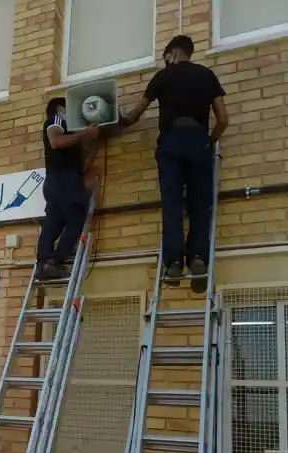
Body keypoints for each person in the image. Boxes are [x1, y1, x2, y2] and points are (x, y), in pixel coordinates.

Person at [120, 35, 229, 292]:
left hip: (170, 143)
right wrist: (209, 141)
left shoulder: (162, 77)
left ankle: (174, 264)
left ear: (173, 52)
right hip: (199, 142)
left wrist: (115, 119)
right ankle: (198, 259)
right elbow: (223, 118)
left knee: (172, 204)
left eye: (165, 56)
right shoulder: (206, 75)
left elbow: (134, 116)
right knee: (200, 203)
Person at [36, 97, 100, 281]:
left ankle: (44, 263)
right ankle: (55, 263)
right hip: (63, 180)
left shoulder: (71, 142)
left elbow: (81, 168)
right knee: (75, 220)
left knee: (54, 223)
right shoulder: (57, 120)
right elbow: (56, 141)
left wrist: (94, 142)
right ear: (60, 108)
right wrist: (85, 134)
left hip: (58, 181)